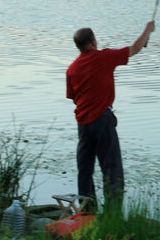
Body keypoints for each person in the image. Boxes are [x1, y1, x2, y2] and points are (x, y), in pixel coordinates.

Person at [66, 20, 154, 211]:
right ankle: (113, 213)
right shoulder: (103, 57)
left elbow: (73, 98)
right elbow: (134, 49)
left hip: (83, 124)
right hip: (103, 121)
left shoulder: (72, 69)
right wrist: (147, 30)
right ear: (93, 42)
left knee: (85, 169)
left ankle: (87, 212)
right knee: (112, 168)